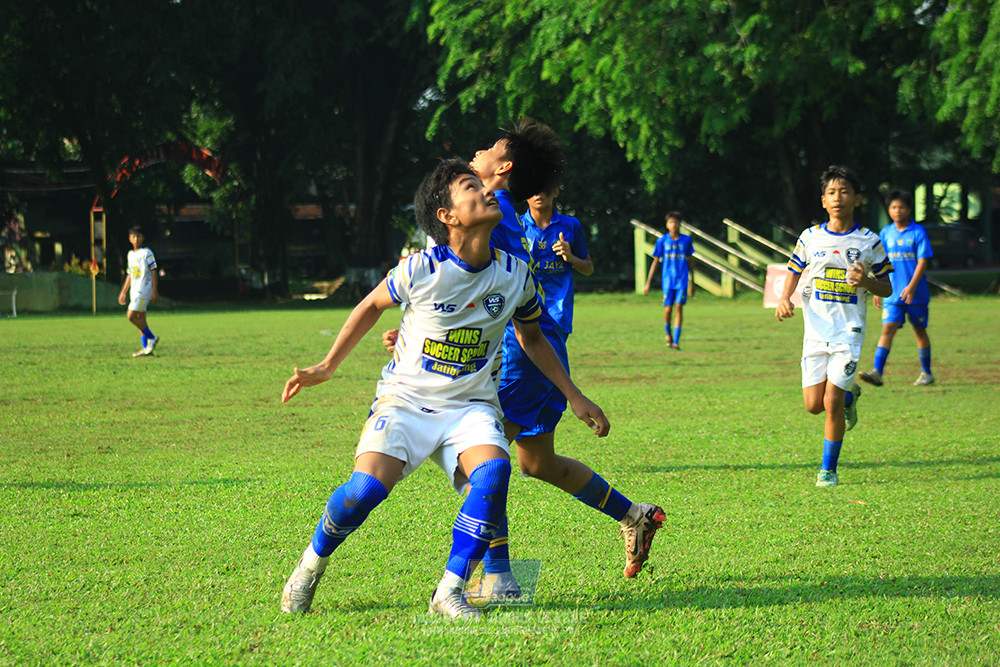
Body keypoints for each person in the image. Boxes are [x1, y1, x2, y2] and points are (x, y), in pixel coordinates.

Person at [279, 159, 610, 620]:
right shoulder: (421, 268)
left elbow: (533, 337)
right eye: (470, 186)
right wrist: (327, 366)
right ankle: (310, 565)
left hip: (471, 406)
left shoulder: (516, 274)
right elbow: (371, 305)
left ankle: (449, 589)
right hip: (406, 402)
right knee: (363, 493)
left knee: (494, 474)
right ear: (447, 216)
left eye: (483, 184)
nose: (486, 190)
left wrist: (574, 395)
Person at [383, 120, 665, 587]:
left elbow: (486, 291)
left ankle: (500, 577)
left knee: (484, 464)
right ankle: (634, 514)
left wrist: (572, 392)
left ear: (504, 167)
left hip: (522, 356)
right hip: (526, 352)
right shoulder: (502, 214)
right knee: (537, 464)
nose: (477, 149)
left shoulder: (498, 218)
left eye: (489, 147)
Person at [775, 166, 892, 488]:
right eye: (831, 193)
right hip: (815, 332)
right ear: (823, 201)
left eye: (844, 192)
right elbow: (794, 270)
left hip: (848, 333)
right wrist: (786, 298)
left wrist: (866, 281)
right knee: (813, 405)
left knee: (831, 403)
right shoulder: (810, 237)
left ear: (856, 198)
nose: (837, 198)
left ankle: (828, 469)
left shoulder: (869, 241)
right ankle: (851, 397)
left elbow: (886, 287)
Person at [859, 190, 935, 387]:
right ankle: (877, 371)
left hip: (915, 294)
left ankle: (926, 373)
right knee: (887, 330)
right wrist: (878, 287)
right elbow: (879, 262)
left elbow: (922, 262)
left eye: (901, 207)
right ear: (889, 210)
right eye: (893, 207)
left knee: (919, 331)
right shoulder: (886, 233)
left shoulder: (918, 232)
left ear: (909, 209)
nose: (897, 211)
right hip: (892, 293)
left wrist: (911, 286)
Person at [520, 184, 593, 333]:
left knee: (552, 356)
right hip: (524, 305)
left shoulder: (571, 225)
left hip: (558, 311)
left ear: (555, 190)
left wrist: (571, 257)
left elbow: (589, 269)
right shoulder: (517, 226)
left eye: (544, 187)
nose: (538, 194)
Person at [643, 211, 694, 349]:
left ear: (680, 224)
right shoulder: (662, 241)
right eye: (671, 222)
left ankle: (676, 341)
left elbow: (690, 261)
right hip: (668, 281)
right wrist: (647, 283)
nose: (674, 225)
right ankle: (668, 334)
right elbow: (655, 262)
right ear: (667, 225)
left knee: (678, 307)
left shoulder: (686, 240)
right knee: (667, 310)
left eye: (676, 222)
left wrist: (692, 282)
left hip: (682, 280)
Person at [118, 226, 159, 357]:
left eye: (139, 236)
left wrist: (154, 290)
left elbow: (154, 271)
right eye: (134, 236)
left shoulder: (147, 253)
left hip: (144, 289)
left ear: (143, 238)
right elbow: (130, 274)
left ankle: (152, 337)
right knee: (140, 318)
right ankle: (147, 348)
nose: (136, 239)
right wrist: (123, 292)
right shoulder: (131, 254)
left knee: (131, 315)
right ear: (130, 239)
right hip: (134, 290)